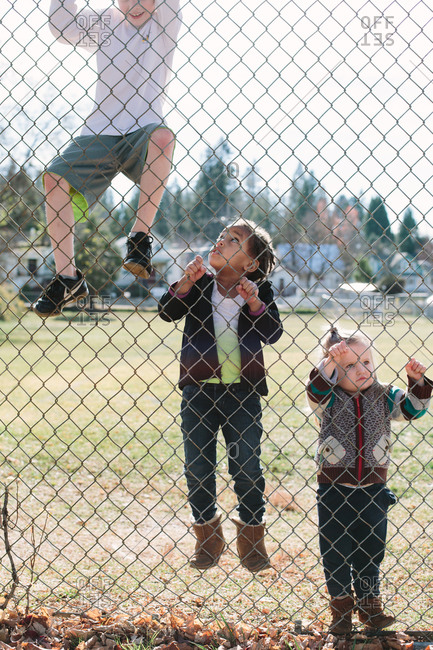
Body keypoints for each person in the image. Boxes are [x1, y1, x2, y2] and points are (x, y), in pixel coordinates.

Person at [33, 0, 182, 317]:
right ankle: (68, 278)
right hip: (100, 130)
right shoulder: (104, 22)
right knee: (53, 178)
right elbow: (61, 27)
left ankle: (140, 239)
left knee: (164, 137)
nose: (137, 4)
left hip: (144, 128)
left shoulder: (165, 23)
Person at [158, 219, 283, 572]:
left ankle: (253, 539)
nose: (221, 242)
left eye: (233, 240)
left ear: (251, 263)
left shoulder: (260, 290)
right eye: (220, 237)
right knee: (197, 466)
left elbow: (272, 333)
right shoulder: (199, 286)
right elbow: (167, 312)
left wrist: (255, 302)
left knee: (246, 465)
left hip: (244, 394)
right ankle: (207, 537)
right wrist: (184, 282)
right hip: (198, 391)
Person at [306, 326, 432, 633]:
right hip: (334, 489)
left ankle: (369, 604)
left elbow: (413, 410)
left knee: (371, 549)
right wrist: (328, 366)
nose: (361, 370)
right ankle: (340, 609)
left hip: (374, 489)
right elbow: (315, 388)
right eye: (349, 365)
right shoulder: (327, 399)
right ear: (333, 370)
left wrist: (417, 382)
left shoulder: (384, 395)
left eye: (367, 362)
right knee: (335, 550)